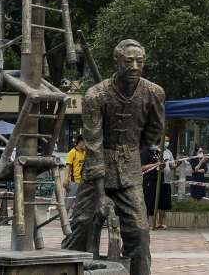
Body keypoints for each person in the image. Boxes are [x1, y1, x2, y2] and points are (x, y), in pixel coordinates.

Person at [62, 39, 166, 275]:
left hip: (129, 171)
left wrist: (129, 150)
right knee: (81, 227)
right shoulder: (95, 95)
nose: (135, 66)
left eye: (140, 61)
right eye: (129, 61)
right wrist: (100, 194)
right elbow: (93, 144)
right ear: (117, 61)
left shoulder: (153, 93)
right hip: (96, 172)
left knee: (139, 232)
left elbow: (154, 130)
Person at [64, 135, 86, 211]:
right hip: (73, 182)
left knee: (79, 204)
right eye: (84, 142)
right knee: (68, 204)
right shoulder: (72, 152)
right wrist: (66, 179)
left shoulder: (84, 153)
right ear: (80, 142)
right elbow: (68, 167)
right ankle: (64, 221)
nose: (85, 145)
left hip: (82, 182)